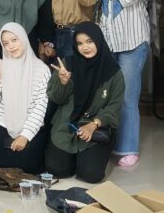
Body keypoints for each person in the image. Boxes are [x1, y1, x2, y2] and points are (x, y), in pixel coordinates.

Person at [97, 0, 158, 168]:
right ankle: (110, 143)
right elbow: (103, 7)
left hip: (133, 43)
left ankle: (129, 148)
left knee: (127, 97)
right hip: (110, 42)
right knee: (109, 96)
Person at [45, 23, 124, 183]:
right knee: (57, 169)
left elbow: (114, 106)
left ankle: (85, 158)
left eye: (89, 41)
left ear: (98, 41)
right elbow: (56, 99)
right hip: (67, 125)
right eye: (79, 43)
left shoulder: (114, 72)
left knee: (90, 175)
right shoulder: (67, 65)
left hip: (95, 128)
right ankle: (74, 157)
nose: (85, 47)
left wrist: (94, 124)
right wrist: (63, 82)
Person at [0, 23, 51, 173]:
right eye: (5, 43)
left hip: (31, 127)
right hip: (4, 124)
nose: (11, 46)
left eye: (14, 40)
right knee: (0, 170)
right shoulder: (1, 66)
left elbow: (40, 108)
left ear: (23, 39)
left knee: (27, 171)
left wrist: (25, 136)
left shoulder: (42, 70)